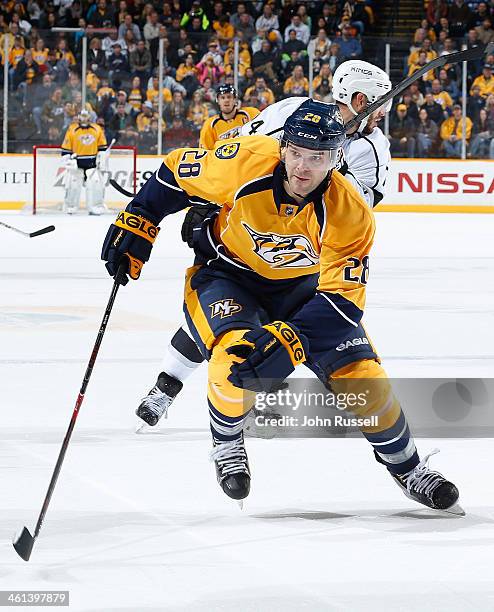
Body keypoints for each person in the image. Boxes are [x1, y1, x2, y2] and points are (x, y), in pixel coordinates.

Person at [101, 101, 462, 514]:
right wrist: (140, 217)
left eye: (317, 157)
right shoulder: (245, 161)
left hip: (307, 293)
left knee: (365, 380)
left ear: (337, 158)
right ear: (283, 147)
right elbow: (175, 172)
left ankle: (408, 468)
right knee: (233, 358)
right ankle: (227, 442)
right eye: (295, 153)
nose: (302, 168)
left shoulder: (351, 212)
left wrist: (290, 339)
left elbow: (344, 302)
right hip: (229, 276)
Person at [136, 59, 393, 429]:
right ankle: (166, 386)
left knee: (274, 330)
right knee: (218, 318)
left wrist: (332, 173)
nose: (382, 112)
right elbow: (231, 155)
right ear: (356, 98)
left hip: (302, 254)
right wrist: (203, 203)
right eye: (377, 103)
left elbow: (360, 208)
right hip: (245, 233)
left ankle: (248, 395)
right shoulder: (291, 112)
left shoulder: (373, 149)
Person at [60, 109, 108, 215]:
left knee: (95, 185)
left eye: (86, 116)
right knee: (73, 185)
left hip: (92, 164)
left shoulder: (97, 129)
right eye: (82, 116)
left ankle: (95, 207)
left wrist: (101, 160)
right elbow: (66, 149)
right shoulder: (72, 129)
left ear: (89, 117)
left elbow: (103, 148)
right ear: (79, 117)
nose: (84, 118)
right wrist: (68, 161)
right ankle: (70, 207)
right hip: (76, 164)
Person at [199, 84, 259, 149]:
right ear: (218, 101)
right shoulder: (210, 125)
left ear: (235, 100)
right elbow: (205, 151)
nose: (226, 100)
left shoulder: (251, 113)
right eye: (222, 97)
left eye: (229, 97)